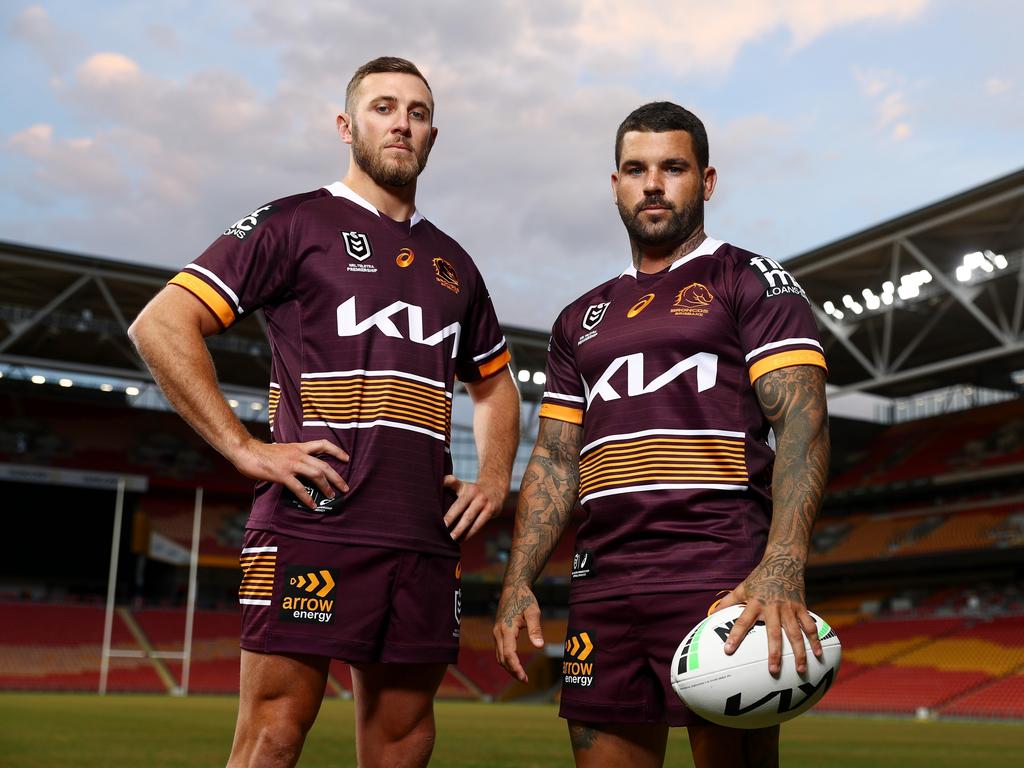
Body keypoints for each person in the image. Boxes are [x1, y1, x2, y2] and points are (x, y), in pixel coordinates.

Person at [129, 56, 520, 768]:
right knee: (273, 736)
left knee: (403, 742)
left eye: (418, 112)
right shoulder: (294, 223)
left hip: (421, 534)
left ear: (433, 136)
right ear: (347, 126)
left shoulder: (455, 265)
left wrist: (494, 476)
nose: (401, 121)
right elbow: (161, 324)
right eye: (383, 107)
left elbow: (494, 385)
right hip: (316, 521)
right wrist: (245, 448)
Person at [493, 101, 829, 768]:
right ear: (615, 183)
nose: (652, 183)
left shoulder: (748, 280)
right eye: (635, 169)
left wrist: (784, 560)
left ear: (705, 181)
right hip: (603, 582)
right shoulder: (578, 318)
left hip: (718, 574)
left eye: (672, 168)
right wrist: (517, 580)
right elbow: (556, 461)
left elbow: (802, 422)